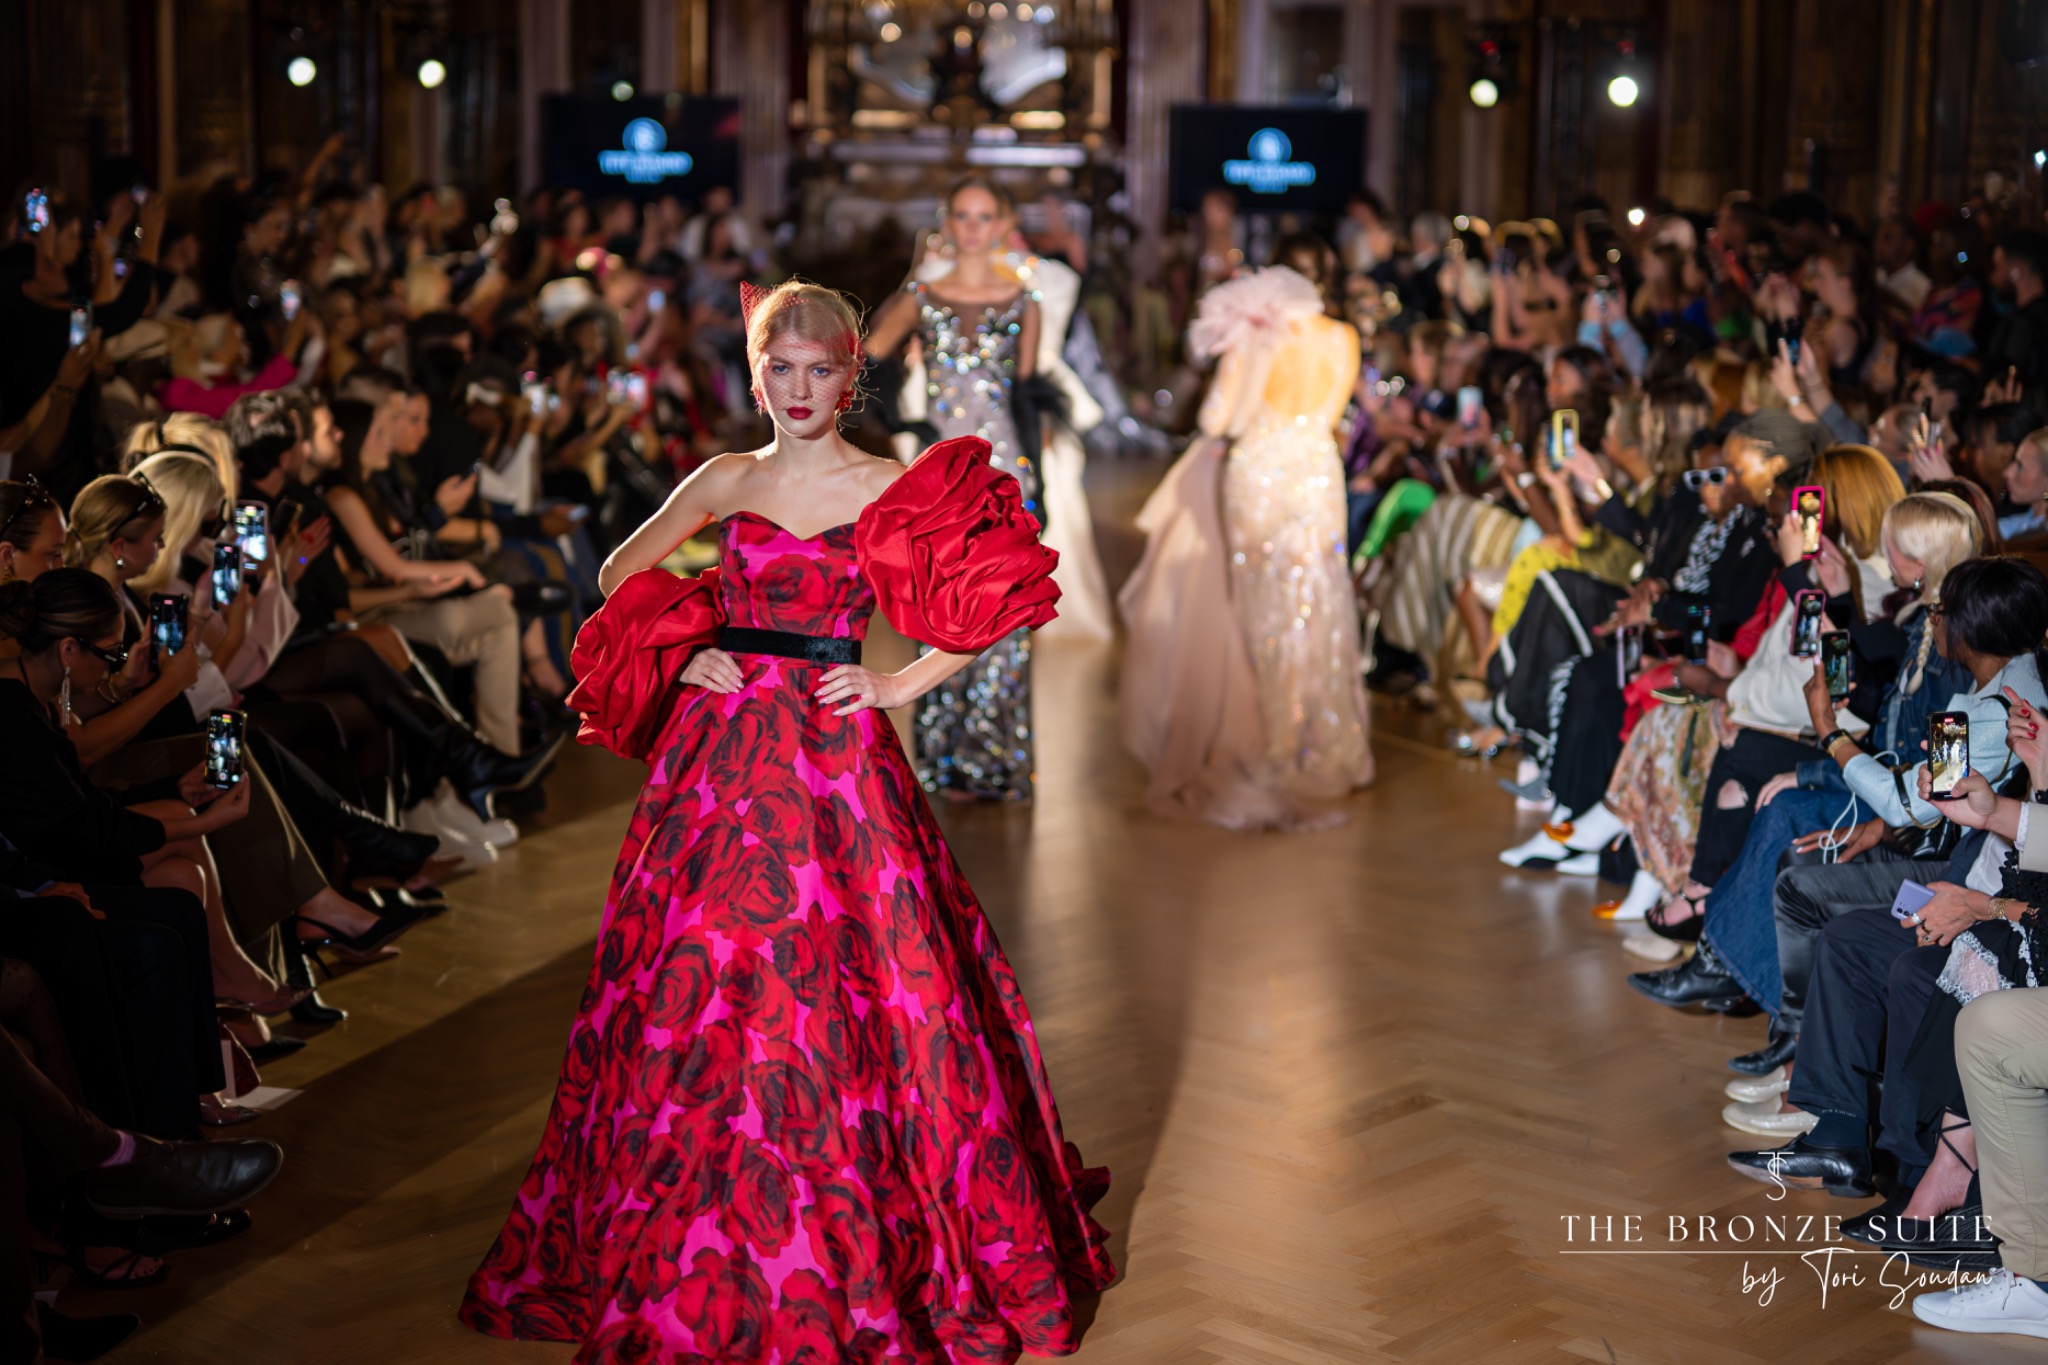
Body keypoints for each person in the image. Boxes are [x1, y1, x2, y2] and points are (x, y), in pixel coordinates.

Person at [459, 281, 1111, 1358]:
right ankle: (698, 1209)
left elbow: (1005, 595)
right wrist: (684, 638)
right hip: (716, 767)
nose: (800, 389)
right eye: (781, 369)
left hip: (836, 759)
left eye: (821, 370)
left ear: (851, 377)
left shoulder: (888, 483)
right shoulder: (726, 477)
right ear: (755, 374)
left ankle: (842, 1219)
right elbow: (619, 567)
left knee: (855, 983)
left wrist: (902, 687)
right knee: (706, 980)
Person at [1119, 244, 1374, 829]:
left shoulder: (1258, 333)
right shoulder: (1343, 336)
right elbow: (1334, 411)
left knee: (1264, 607)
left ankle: (1277, 740)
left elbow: (1219, 420)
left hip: (1261, 470)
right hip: (1316, 468)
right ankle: (1326, 736)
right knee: (1322, 600)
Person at [864, 176, 1046, 801]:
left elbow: (1026, 400)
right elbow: (870, 358)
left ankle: (996, 761)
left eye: (984, 216)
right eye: (962, 216)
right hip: (938, 475)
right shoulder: (923, 293)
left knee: (1004, 614)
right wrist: (905, 426)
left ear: (1002, 223)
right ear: (949, 221)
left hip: (1002, 473)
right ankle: (943, 763)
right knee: (937, 610)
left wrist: (1037, 483)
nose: (972, 227)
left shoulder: (1026, 301)